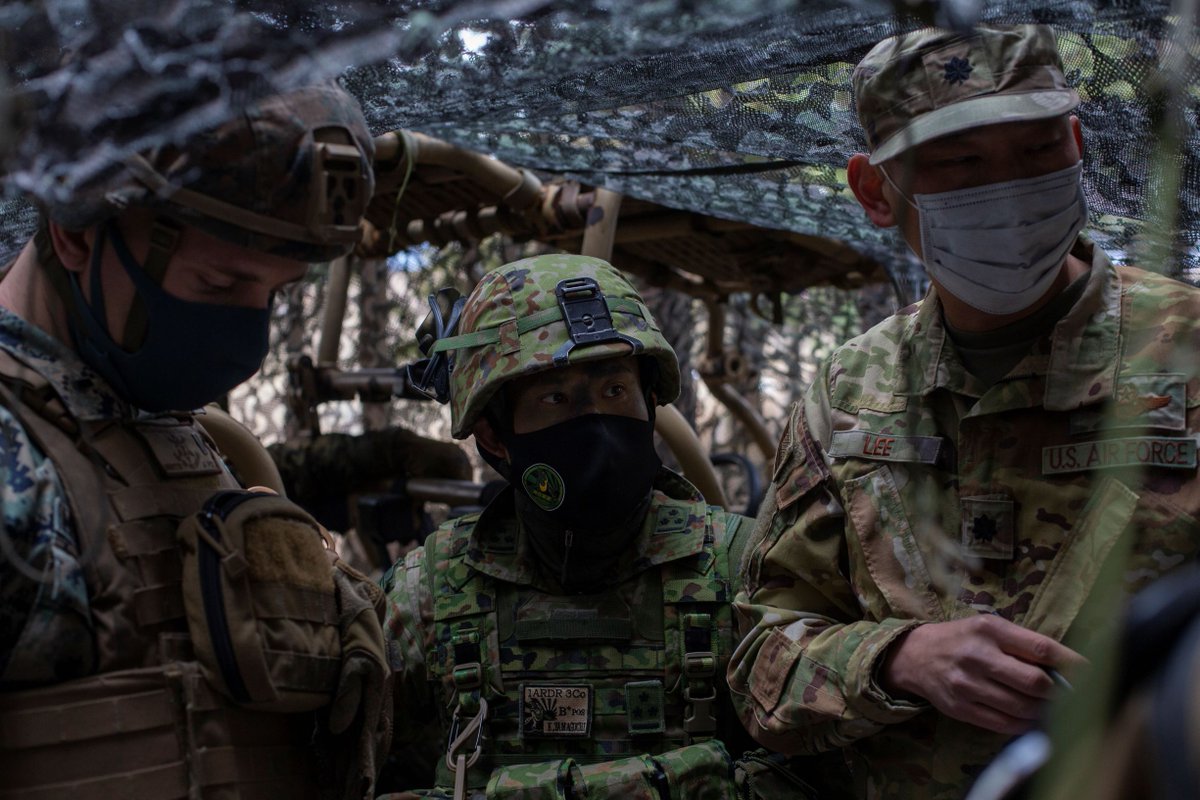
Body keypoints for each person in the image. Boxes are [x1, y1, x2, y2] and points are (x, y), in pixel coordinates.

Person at [727, 23, 1200, 800]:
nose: (1010, 192)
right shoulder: (850, 390)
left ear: (1077, 145)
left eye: (1038, 150)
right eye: (962, 163)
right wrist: (896, 661)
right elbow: (758, 667)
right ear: (875, 192)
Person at [0, 83, 390, 799]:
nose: (250, 343)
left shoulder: (160, 423)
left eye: (276, 294)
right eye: (218, 283)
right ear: (77, 230)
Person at [378, 254, 755, 800]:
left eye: (615, 391)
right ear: (493, 436)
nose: (595, 424)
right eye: (555, 399)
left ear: (650, 402)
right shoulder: (430, 592)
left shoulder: (741, 571)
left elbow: (821, 769)